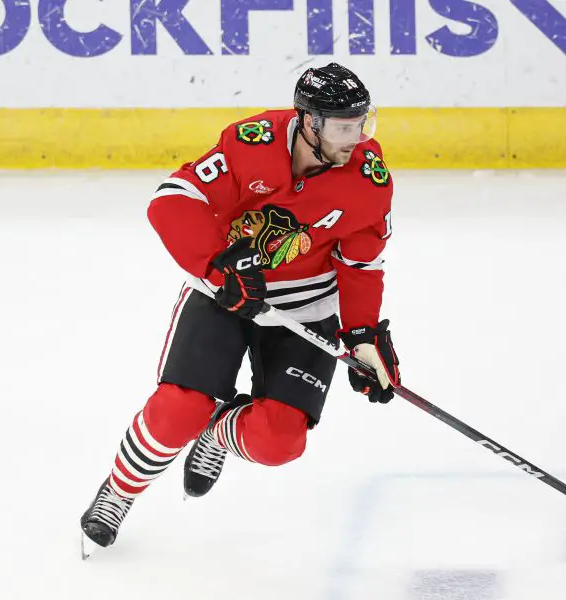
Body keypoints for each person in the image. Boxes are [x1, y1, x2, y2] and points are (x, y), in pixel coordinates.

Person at [79, 62, 402, 554]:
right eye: (342, 127)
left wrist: (362, 335)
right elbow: (172, 200)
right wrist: (218, 266)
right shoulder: (252, 144)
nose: (355, 138)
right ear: (309, 122)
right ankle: (119, 492)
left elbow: (362, 264)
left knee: (279, 442)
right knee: (177, 410)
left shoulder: (368, 180)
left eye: (361, 124)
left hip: (305, 309)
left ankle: (218, 434)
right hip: (224, 296)